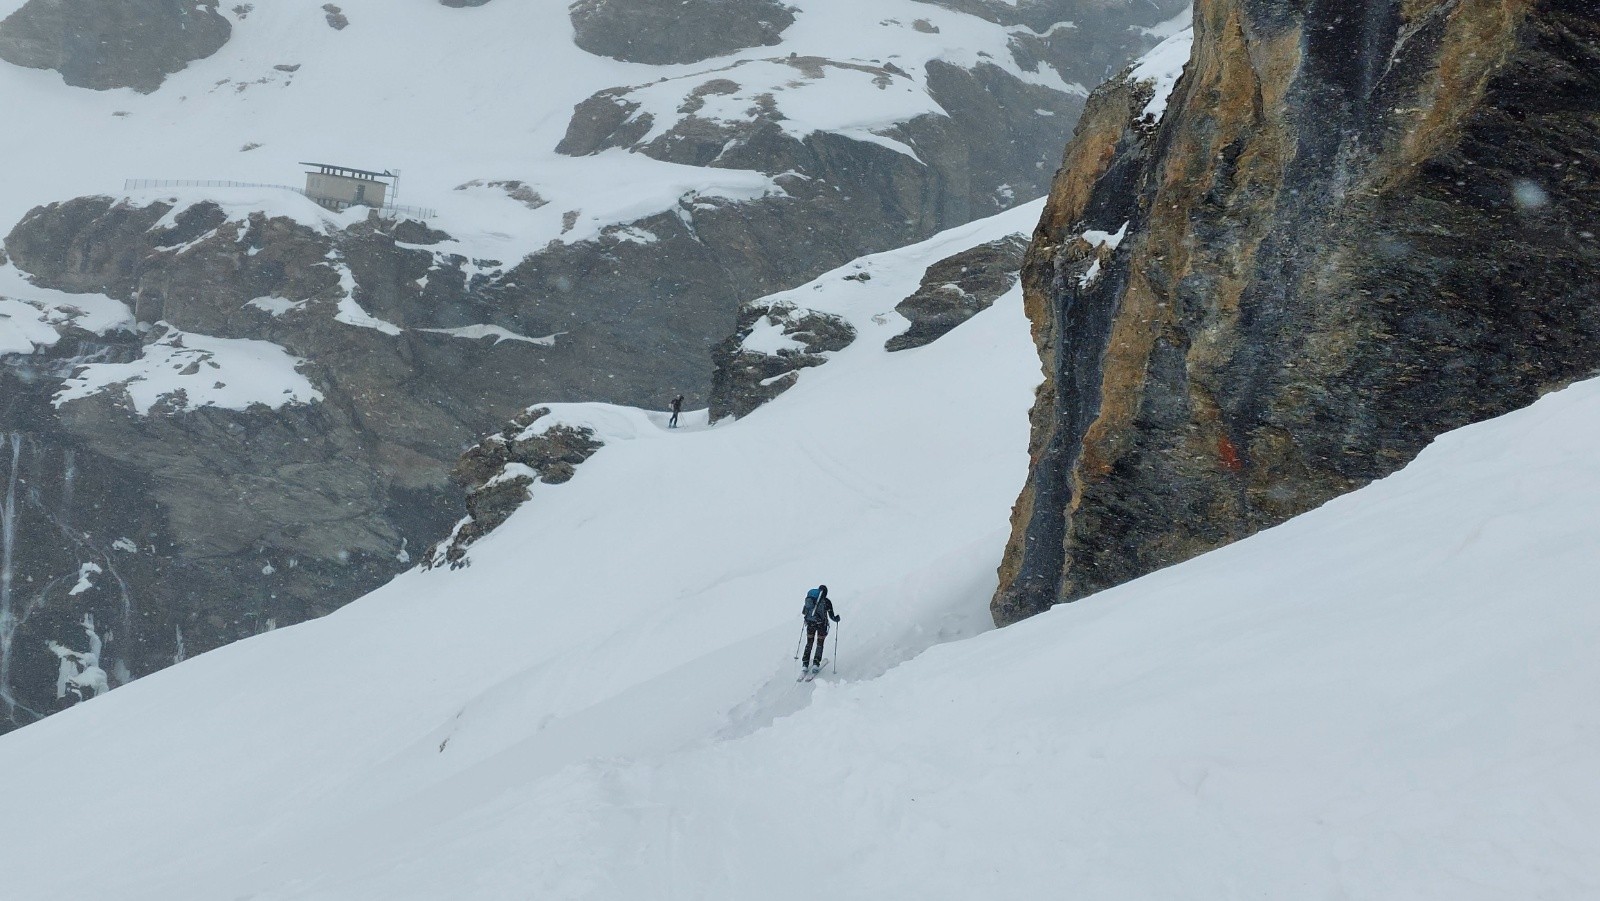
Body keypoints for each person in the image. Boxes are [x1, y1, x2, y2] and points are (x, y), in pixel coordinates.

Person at [801, 584, 840, 674]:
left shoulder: (810, 600)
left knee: (809, 643)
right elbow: (832, 616)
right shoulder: (826, 602)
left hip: (810, 624)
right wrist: (837, 618)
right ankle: (816, 664)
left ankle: (805, 664)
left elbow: (804, 612)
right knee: (820, 644)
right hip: (821, 625)